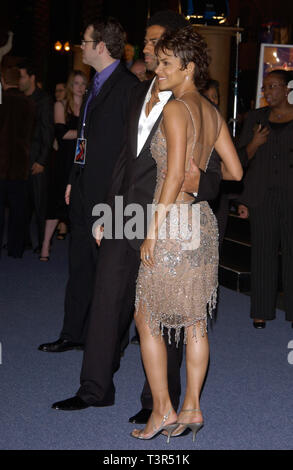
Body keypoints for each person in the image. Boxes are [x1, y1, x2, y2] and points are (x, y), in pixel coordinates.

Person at [50, 10, 224, 413]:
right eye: (146, 42)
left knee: (165, 315)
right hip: (124, 215)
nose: (145, 48)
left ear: (177, 50)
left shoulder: (193, 101)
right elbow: (123, 161)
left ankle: (157, 401)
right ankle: (93, 389)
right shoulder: (138, 91)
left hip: (172, 223)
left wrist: (196, 182)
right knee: (106, 301)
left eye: (154, 41)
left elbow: (214, 174)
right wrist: (106, 213)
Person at [131, 26, 243, 442]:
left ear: (188, 67)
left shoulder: (176, 108)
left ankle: (162, 409)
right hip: (203, 224)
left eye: (165, 64)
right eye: (157, 62)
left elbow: (174, 174)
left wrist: (151, 233)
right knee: (196, 320)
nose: (157, 70)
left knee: (147, 315)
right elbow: (234, 172)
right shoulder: (212, 110)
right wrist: (201, 179)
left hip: (174, 224)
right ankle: (192, 407)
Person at [38, 17, 138, 352]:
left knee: (110, 276)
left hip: (110, 196)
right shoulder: (95, 83)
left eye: (84, 40)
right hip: (81, 189)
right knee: (79, 266)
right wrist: (72, 177)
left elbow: (131, 149)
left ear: (100, 46)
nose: (80, 46)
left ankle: (111, 342)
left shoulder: (128, 87)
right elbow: (84, 138)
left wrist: (118, 195)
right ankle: (73, 333)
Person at [237, 69, 293, 329]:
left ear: (287, 89)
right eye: (265, 88)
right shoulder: (257, 119)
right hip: (262, 197)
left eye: (273, 86)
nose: (268, 92)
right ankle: (260, 311)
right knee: (262, 255)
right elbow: (241, 160)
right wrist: (256, 142)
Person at [39, 70, 88, 261]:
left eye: (83, 83)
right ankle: (45, 245)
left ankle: (79, 251)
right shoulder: (61, 105)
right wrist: (86, 132)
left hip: (81, 156)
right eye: (76, 83)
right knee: (55, 202)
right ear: (70, 85)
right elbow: (61, 133)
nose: (80, 87)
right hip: (63, 158)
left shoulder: (88, 105)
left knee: (78, 205)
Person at [18, 61, 54, 252]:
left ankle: (42, 243)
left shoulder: (44, 99)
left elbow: (48, 132)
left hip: (38, 159)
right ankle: (23, 241)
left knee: (41, 205)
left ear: (31, 78)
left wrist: (42, 160)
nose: (19, 80)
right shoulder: (18, 97)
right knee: (22, 204)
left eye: (22, 76)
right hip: (20, 161)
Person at [0, 67, 35, 258]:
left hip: (1, 164)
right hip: (20, 164)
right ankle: (16, 249)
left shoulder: (1, 101)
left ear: (4, 81)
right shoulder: (29, 103)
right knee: (18, 211)